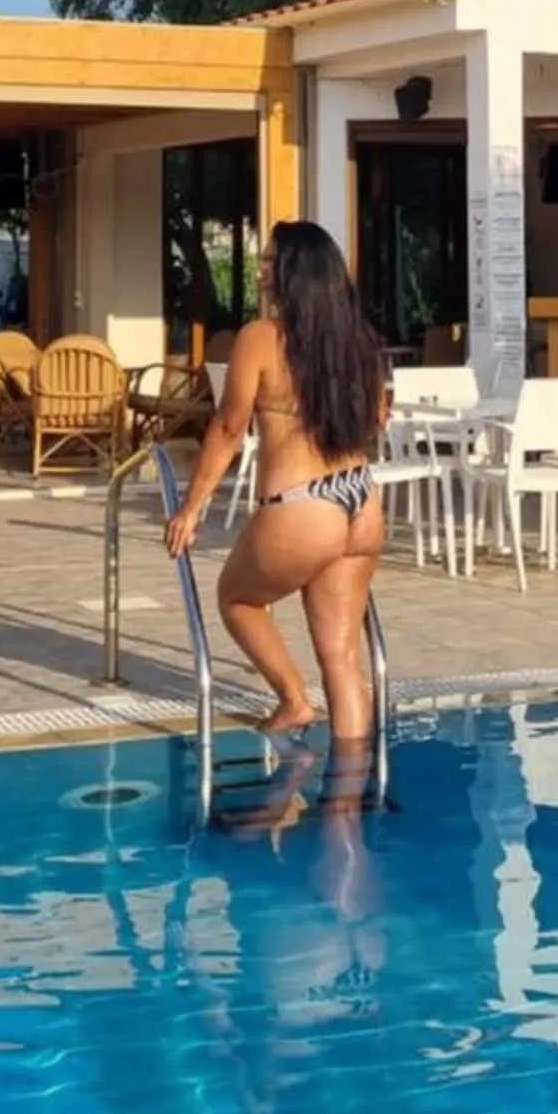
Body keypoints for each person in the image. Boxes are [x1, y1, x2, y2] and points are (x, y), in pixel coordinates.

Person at [162, 220, 387, 742]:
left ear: (297, 274)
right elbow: (377, 418)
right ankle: (349, 803)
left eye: (270, 263)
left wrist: (191, 507)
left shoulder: (261, 338)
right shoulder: (359, 341)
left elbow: (228, 427)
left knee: (237, 599)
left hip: (304, 505)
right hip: (360, 496)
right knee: (343, 659)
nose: (261, 273)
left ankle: (291, 699)